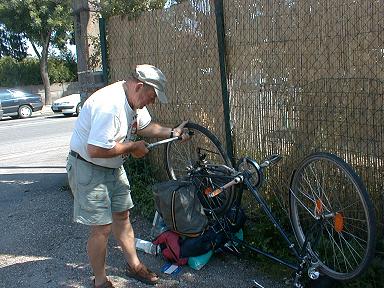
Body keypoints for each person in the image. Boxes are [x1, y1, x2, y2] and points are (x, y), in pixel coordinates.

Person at [66, 64, 189, 288]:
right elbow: (95, 149)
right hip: (88, 166)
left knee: (122, 217)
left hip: (112, 167)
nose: (152, 102)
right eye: (152, 97)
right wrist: (132, 147)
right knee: (102, 228)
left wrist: (172, 132)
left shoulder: (134, 101)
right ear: (139, 86)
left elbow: (146, 127)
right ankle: (100, 281)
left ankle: (134, 266)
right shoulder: (109, 105)